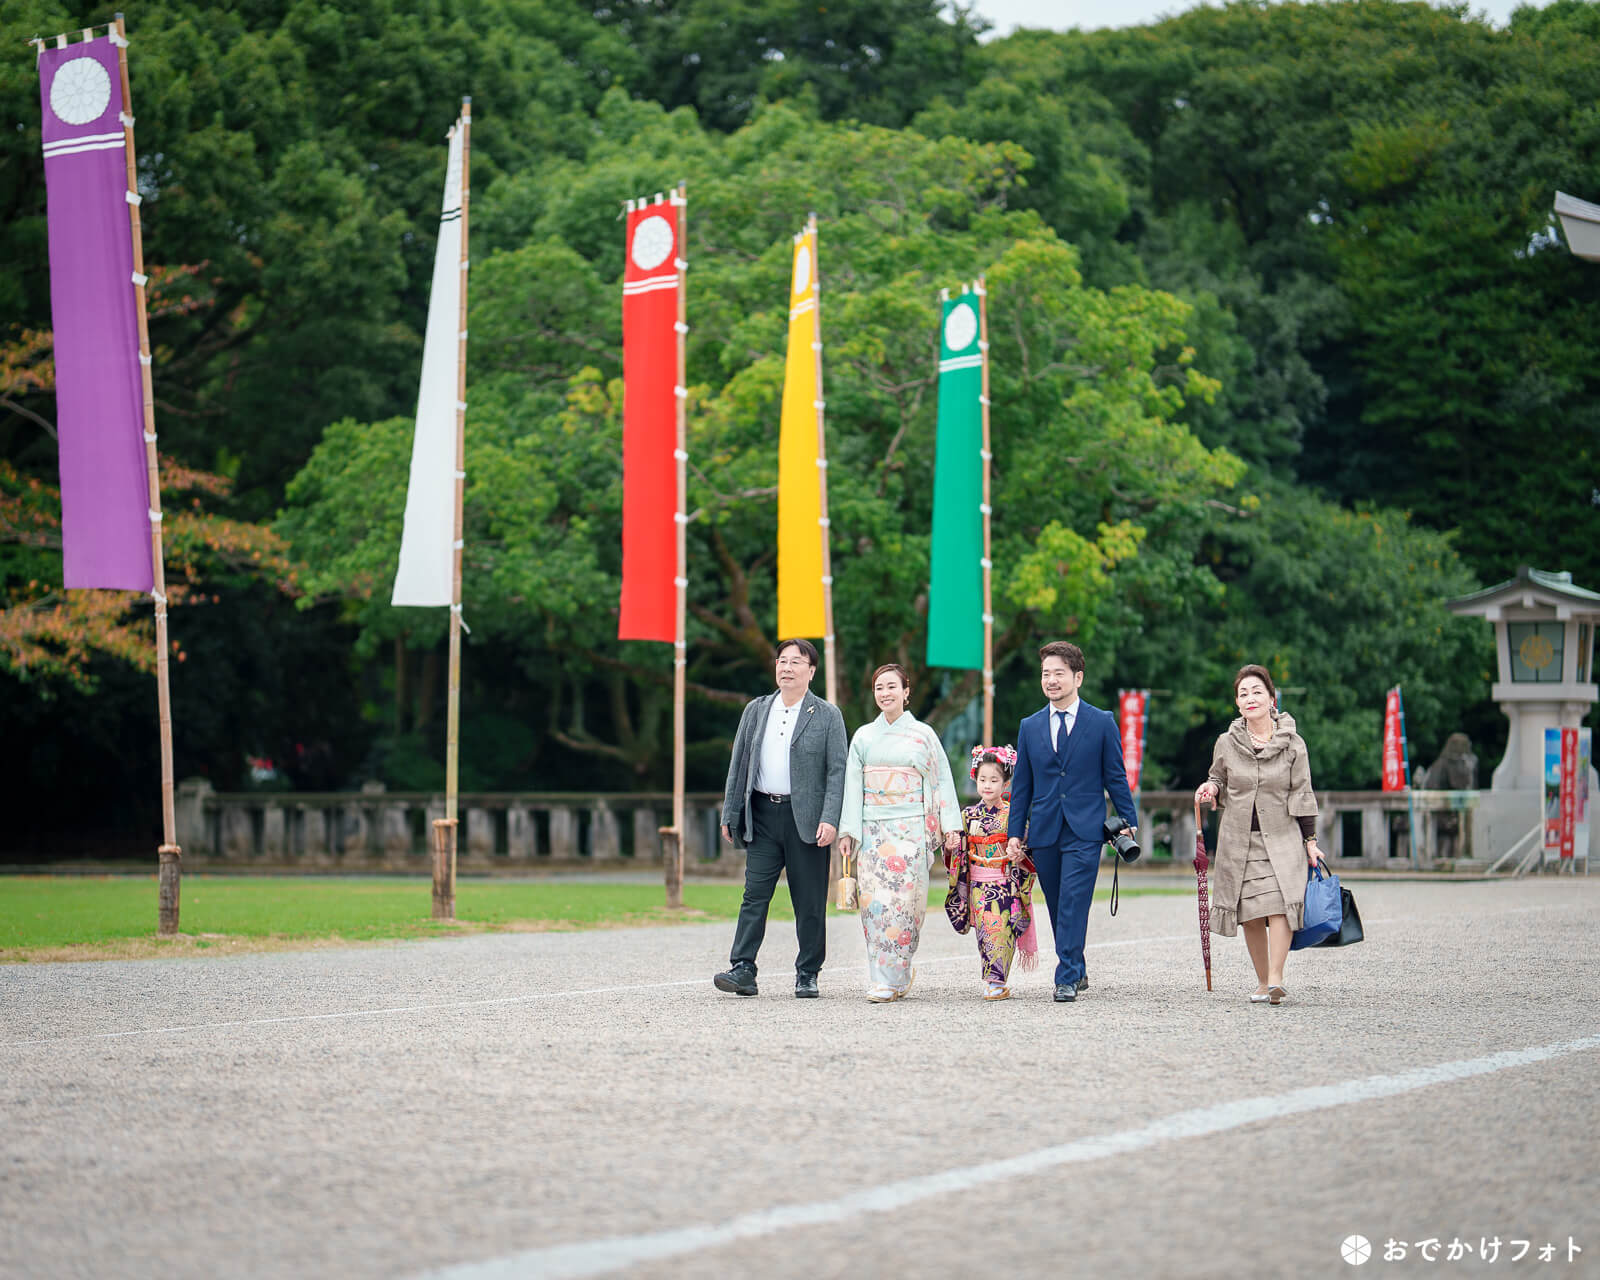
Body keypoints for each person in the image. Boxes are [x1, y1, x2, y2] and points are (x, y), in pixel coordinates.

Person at [715, 638, 848, 999]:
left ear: (811, 671)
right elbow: (739, 764)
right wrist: (731, 812)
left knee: (809, 900)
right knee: (754, 894)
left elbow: (837, 771)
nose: (786, 667)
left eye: (795, 662)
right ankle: (743, 967)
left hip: (805, 819)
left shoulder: (827, 715)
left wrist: (830, 818)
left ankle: (808, 971)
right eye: (782, 661)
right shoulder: (756, 710)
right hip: (761, 814)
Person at [1006, 641, 1137, 1003]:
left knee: (1074, 901)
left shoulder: (1101, 722)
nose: (1051, 680)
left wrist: (1127, 819)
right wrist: (1015, 833)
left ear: (1078, 677)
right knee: (1056, 901)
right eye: (1046, 674)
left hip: (1085, 829)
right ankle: (1076, 967)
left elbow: (1115, 776)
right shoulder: (1030, 727)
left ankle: (1064, 976)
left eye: (1058, 674)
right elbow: (1022, 788)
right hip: (1045, 829)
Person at [1194, 664, 1324, 1006]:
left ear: (1271, 699)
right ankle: (1263, 981)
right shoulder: (1226, 742)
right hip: (1239, 840)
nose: (1250, 698)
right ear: (1237, 704)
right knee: (1251, 912)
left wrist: (1310, 842)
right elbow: (1218, 778)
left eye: (1256, 692)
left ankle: (1278, 978)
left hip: (1283, 837)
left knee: (1280, 905)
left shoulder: (1294, 743)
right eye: (1243, 694)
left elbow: (1303, 791)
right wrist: (1210, 788)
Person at [836, 664, 963, 1002]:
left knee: (907, 904)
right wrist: (848, 830)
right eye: (879, 687)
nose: (885, 693)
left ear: (906, 691)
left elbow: (940, 782)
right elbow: (852, 785)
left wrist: (950, 826)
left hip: (910, 830)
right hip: (872, 830)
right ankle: (882, 978)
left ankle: (900, 971)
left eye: (892, 686)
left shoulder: (923, 735)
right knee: (875, 905)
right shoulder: (863, 736)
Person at [945, 745, 1038, 1000]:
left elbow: (1028, 848)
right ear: (975, 779)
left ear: (1005, 783)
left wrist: (1019, 855)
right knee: (986, 933)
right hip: (977, 883)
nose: (988, 785)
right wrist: (952, 846)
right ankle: (993, 979)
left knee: (1002, 930)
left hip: (1005, 882)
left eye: (994, 780)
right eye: (983, 779)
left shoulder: (1013, 815)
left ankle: (996, 981)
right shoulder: (968, 814)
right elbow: (959, 850)